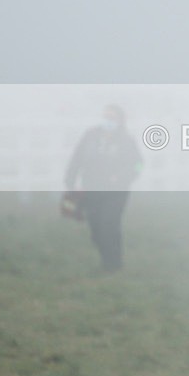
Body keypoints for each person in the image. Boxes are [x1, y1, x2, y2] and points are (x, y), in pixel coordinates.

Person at [64, 104, 143, 272]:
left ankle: (113, 264)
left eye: (112, 118)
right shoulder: (90, 136)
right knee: (96, 227)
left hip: (116, 193)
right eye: (106, 117)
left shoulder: (127, 141)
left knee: (109, 224)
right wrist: (70, 179)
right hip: (92, 189)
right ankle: (106, 257)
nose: (108, 121)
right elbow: (77, 157)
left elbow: (138, 165)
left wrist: (123, 177)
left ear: (120, 121)